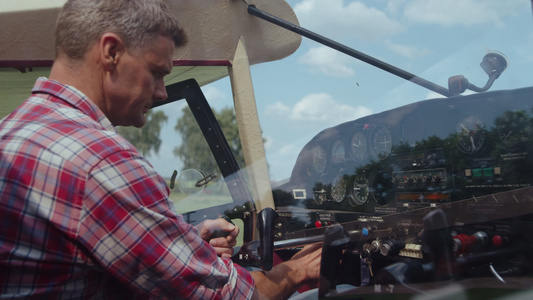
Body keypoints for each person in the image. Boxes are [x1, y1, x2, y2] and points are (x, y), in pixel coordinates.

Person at [0, 0, 322, 299]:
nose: (161, 92)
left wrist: (188, 240)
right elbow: (233, 295)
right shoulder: (103, 161)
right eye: (156, 73)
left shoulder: (12, 129)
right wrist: (297, 270)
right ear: (111, 51)